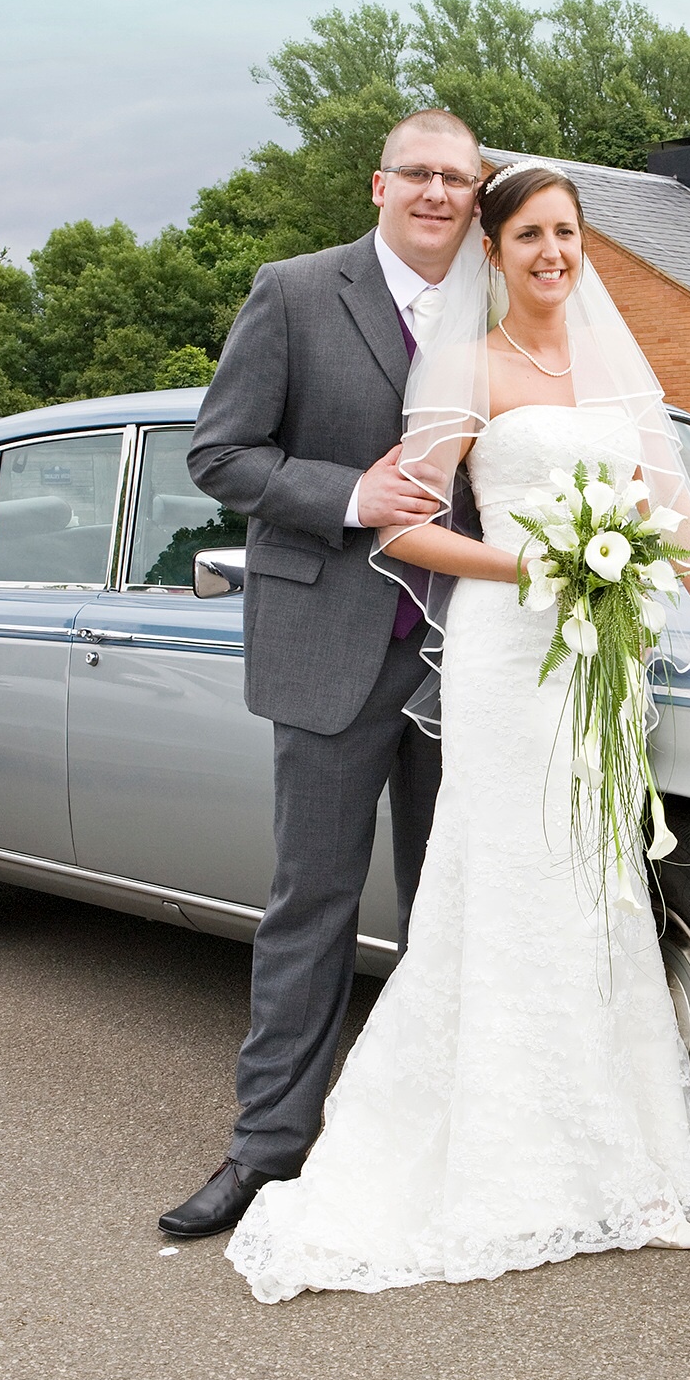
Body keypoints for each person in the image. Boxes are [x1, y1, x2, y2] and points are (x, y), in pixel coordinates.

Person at [223, 160, 690, 1302]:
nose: (554, 253)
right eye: (532, 236)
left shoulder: (612, 363)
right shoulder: (467, 367)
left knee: (591, 886)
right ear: (492, 254)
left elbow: (673, 506)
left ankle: (616, 1156)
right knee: (502, 887)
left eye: (568, 233)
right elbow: (402, 531)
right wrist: (533, 563)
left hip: (601, 656)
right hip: (510, 654)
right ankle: (493, 1160)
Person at [165, 110, 485, 1238]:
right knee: (313, 906)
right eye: (420, 174)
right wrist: (354, 497)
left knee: (458, 913)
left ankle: (447, 1140)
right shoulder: (295, 292)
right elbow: (221, 452)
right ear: (379, 185)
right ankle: (266, 1150)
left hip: (473, 664)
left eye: (457, 177)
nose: (438, 192)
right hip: (332, 653)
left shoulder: (506, 303)